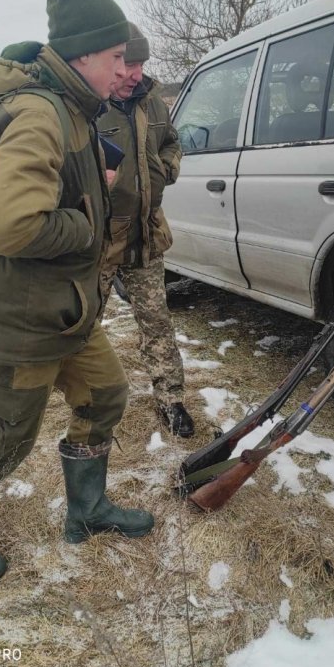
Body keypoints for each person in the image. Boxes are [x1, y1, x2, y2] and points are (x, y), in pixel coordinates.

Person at [0, 0, 154, 591]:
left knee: (105, 396)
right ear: (83, 57)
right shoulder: (40, 113)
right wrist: (83, 226)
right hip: (22, 320)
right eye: (115, 58)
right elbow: (10, 225)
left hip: (64, 312)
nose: (123, 69)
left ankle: (87, 509)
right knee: (4, 438)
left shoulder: (68, 108)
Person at [97, 24, 194, 439]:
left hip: (147, 232)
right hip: (98, 239)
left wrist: (166, 167)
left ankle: (171, 399)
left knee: (156, 320)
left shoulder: (153, 100)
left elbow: (172, 142)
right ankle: (86, 398)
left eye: (141, 64)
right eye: (128, 64)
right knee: (84, 324)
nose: (135, 74)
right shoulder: (87, 104)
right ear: (112, 63)